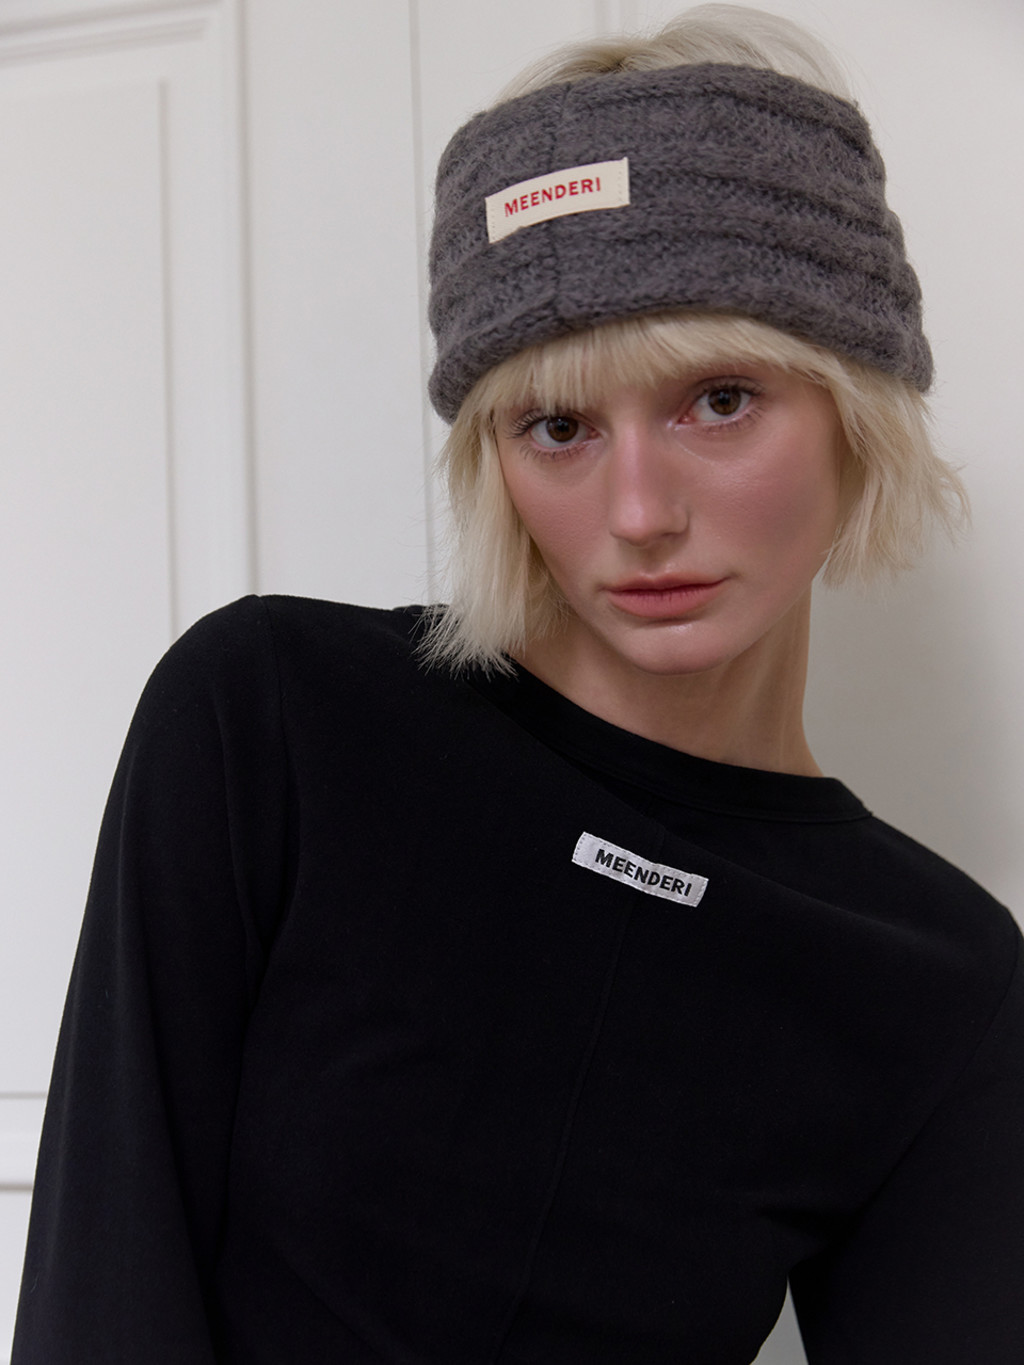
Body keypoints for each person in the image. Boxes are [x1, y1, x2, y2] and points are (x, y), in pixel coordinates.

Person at [13, 6, 1023, 1363]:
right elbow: (102, 1292)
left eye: (719, 399)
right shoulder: (276, 725)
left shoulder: (937, 978)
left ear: (859, 402)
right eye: (558, 425)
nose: (640, 512)